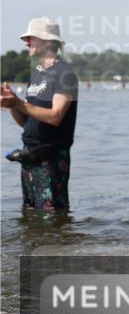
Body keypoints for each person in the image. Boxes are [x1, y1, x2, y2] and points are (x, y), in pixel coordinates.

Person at [1, 18, 79, 213]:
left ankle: (60, 244)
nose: (26, 42)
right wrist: (12, 104)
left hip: (51, 157)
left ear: (49, 42)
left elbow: (55, 116)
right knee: (29, 214)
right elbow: (27, 123)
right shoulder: (36, 75)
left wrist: (19, 103)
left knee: (53, 215)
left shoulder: (64, 74)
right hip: (29, 155)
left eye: (31, 38)